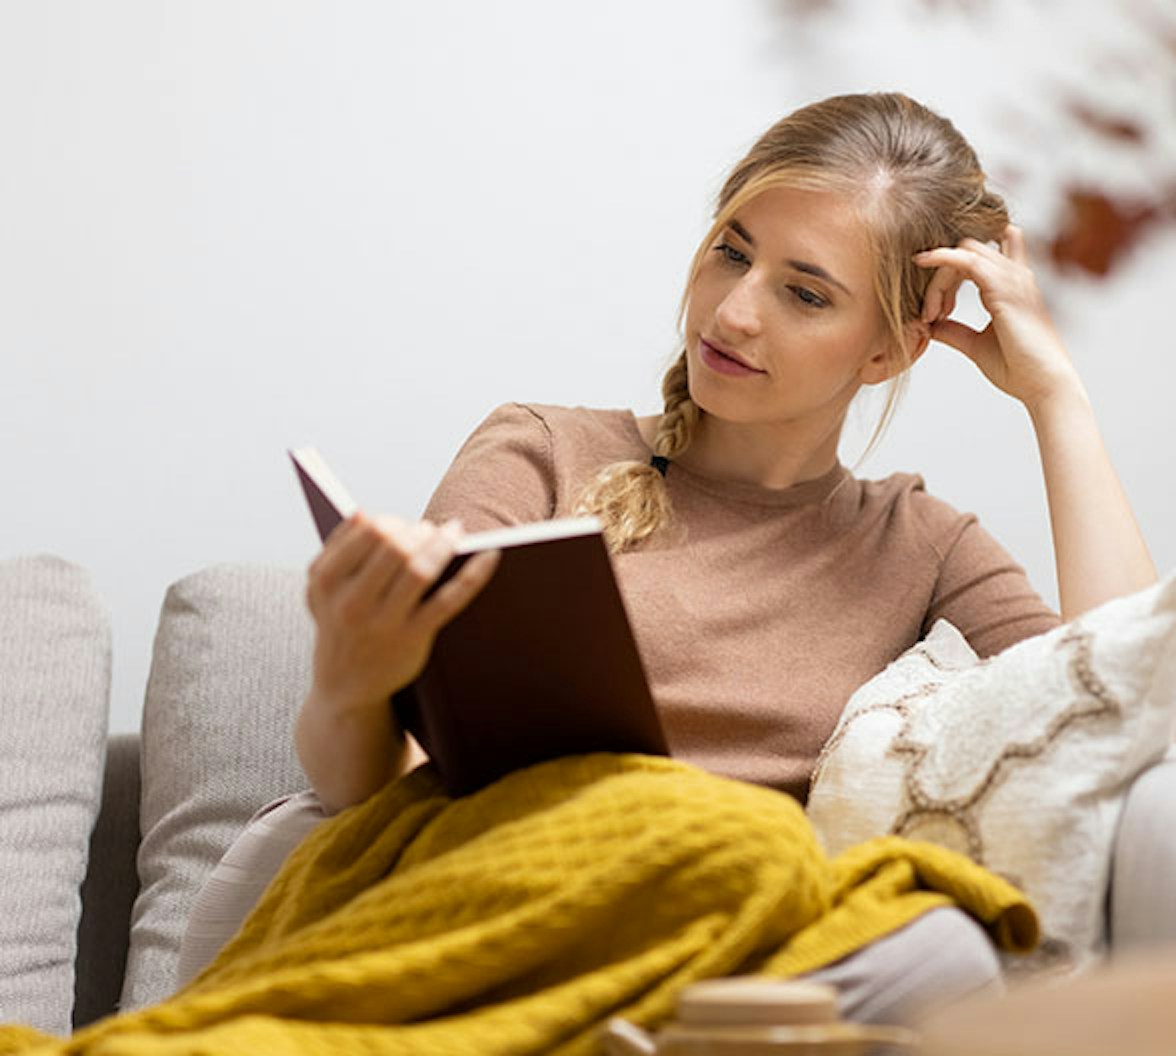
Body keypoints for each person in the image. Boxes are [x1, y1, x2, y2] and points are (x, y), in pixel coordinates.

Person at [228, 92, 1159, 1026]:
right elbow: (379, 788)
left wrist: (1056, 395)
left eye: (803, 293)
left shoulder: (923, 547)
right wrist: (351, 683)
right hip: (492, 905)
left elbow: (1128, 687)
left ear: (891, 348)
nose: (734, 312)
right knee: (747, 838)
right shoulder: (542, 452)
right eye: (732, 251)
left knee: (940, 942)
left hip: (719, 959)